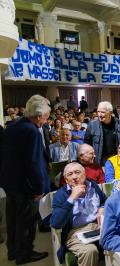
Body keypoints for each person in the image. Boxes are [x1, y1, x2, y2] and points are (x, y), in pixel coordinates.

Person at [0, 95, 50, 264]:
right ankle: (24, 254)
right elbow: (33, 162)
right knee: (27, 222)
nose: (45, 121)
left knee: (13, 220)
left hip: (10, 183)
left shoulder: (13, 126)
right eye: (45, 117)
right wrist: (39, 188)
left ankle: (13, 251)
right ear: (38, 116)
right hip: (26, 186)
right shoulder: (31, 130)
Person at [51, 162, 106, 266]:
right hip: (75, 232)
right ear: (66, 180)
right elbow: (56, 223)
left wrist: (102, 208)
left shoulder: (93, 185)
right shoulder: (61, 195)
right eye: (70, 174)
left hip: (98, 227)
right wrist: (72, 198)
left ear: (84, 174)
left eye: (77, 172)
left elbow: (104, 200)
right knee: (89, 251)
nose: (74, 177)